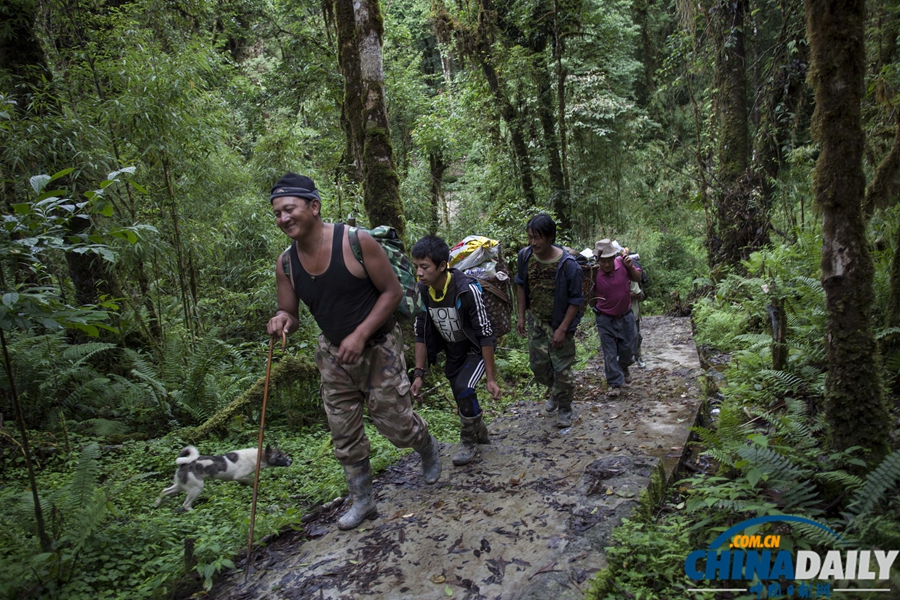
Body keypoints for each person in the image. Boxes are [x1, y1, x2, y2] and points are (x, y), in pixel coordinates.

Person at [266, 173, 441, 531]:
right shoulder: (286, 264)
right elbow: (290, 313)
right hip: (333, 356)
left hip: (379, 349)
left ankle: (427, 446)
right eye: (277, 213)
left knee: (398, 427)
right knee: (343, 432)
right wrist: (281, 320)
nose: (283, 218)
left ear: (314, 206)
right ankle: (362, 500)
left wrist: (360, 335)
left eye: (289, 209)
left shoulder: (355, 241)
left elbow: (392, 293)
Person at [410, 236, 502, 466]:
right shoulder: (423, 292)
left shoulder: (466, 290)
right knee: (462, 398)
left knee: (464, 388)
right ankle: (480, 431)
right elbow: (421, 333)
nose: (419, 273)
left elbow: (485, 333)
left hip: (475, 350)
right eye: (416, 266)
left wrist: (491, 379)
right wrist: (418, 374)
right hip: (453, 351)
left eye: (424, 267)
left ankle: (468, 442)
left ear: (442, 266)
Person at [514, 214, 584, 427]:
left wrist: (562, 329)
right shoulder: (525, 256)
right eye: (530, 237)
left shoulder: (568, 265)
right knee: (538, 368)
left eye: (538, 238)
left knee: (562, 369)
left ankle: (565, 408)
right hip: (536, 319)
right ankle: (556, 390)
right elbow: (520, 285)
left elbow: (576, 300)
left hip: (560, 321)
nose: (533, 242)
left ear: (550, 237)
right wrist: (521, 316)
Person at [592, 239, 642, 398]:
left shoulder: (623, 263)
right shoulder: (593, 273)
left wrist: (630, 267)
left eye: (609, 260)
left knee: (629, 347)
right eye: (603, 261)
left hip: (625, 315)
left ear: (614, 256)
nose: (606, 264)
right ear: (598, 260)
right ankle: (615, 383)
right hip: (605, 318)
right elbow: (587, 294)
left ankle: (624, 365)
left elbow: (637, 278)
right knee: (610, 352)